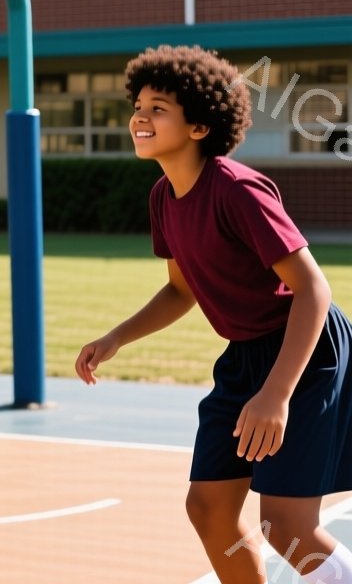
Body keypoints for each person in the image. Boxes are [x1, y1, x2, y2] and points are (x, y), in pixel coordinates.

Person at [76, 45, 350, 584]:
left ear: (199, 127)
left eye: (158, 109)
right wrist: (116, 338)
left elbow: (313, 289)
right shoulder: (164, 197)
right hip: (244, 357)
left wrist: (276, 394)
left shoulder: (238, 190)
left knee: (285, 525)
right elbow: (180, 290)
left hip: (303, 352)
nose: (140, 116)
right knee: (208, 509)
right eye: (138, 106)